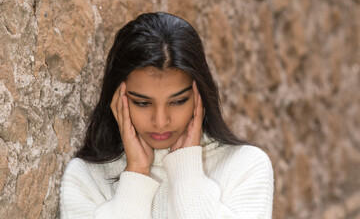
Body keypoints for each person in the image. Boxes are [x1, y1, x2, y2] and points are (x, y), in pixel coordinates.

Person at [59, 12, 274, 218]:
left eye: (178, 101)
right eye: (142, 103)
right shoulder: (86, 178)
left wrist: (187, 170)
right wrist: (136, 174)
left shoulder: (245, 167)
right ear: (117, 98)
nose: (161, 121)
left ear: (200, 95)